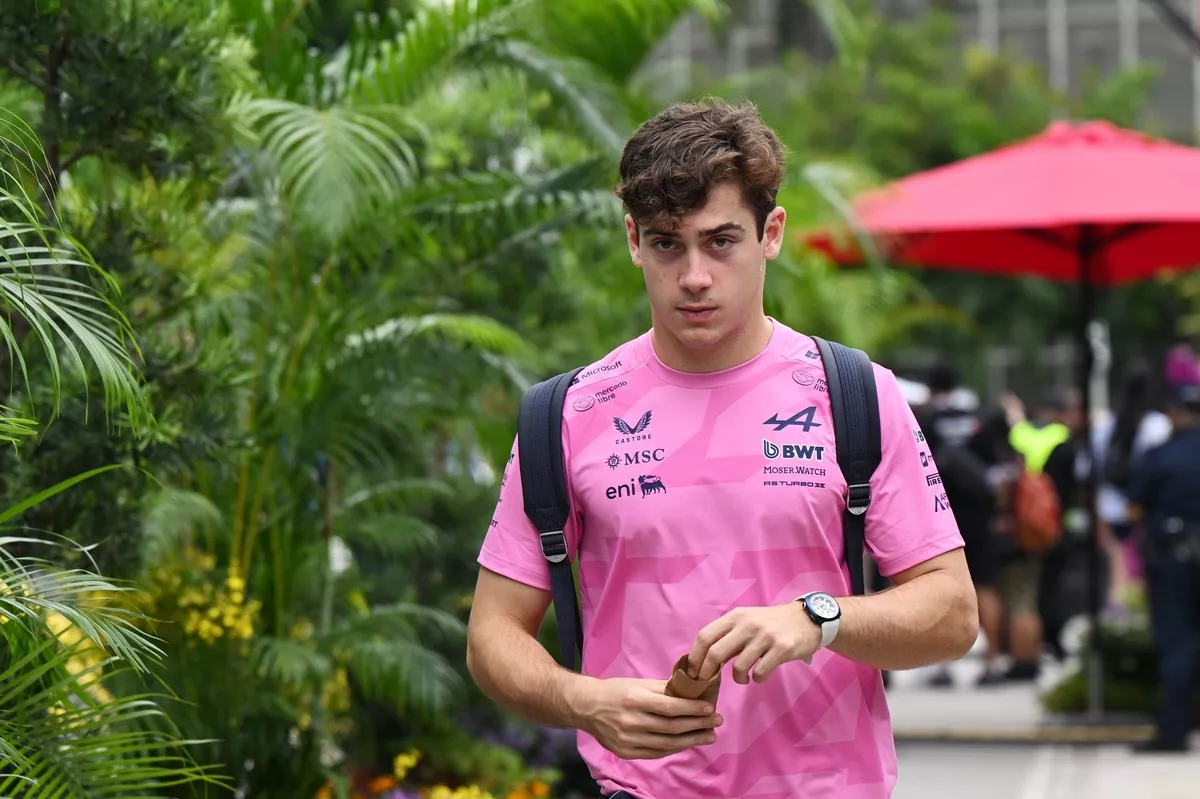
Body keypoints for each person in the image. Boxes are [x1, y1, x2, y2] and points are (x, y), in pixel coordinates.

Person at [465, 100, 978, 798]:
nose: (695, 276)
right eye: (667, 244)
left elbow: (952, 612)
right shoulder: (567, 414)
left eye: (721, 241)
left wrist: (818, 618)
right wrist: (583, 700)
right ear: (632, 240)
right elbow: (491, 634)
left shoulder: (855, 393)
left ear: (772, 233)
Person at [1127, 382, 1200, 754]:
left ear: (1173, 415)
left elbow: (1134, 510)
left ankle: (1173, 731)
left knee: (1177, 643)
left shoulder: (1161, 455)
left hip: (1175, 557)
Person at [913, 364, 995, 688]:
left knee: (939, 584)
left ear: (931, 388)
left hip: (937, 511)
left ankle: (942, 667)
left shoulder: (925, 418)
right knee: (985, 586)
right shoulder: (978, 417)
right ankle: (992, 661)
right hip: (980, 514)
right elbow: (995, 467)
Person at [1092, 361, 1171, 608]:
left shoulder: (1105, 425)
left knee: (1119, 574)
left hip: (1113, 508)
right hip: (1147, 509)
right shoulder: (1159, 425)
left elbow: (1097, 468)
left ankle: (1119, 616)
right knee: (1145, 572)